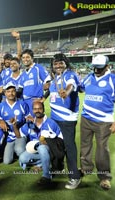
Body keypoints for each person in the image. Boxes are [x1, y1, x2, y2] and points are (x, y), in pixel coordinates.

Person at [79, 55, 115, 190]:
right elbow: (81, 88)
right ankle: (86, 168)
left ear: (107, 66)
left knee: (102, 150)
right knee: (85, 146)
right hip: (86, 118)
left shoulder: (114, 80)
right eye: (94, 67)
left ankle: (104, 177)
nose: (96, 70)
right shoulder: (89, 77)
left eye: (100, 68)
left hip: (103, 121)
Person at [48, 53, 81, 189]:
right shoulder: (55, 78)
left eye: (61, 63)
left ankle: (74, 177)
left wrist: (66, 92)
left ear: (66, 63)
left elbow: (71, 85)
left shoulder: (70, 75)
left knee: (69, 147)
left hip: (67, 119)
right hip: (55, 118)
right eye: (56, 63)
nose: (58, 65)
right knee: (56, 144)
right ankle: (58, 167)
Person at [18, 101, 64, 186]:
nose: (37, 111)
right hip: (35, 149)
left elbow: (60, 138)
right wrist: (14, 125)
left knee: (42, 147)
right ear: (32, 110)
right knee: (22, 158)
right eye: (35, 109)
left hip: (48, 149)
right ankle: (43, 163)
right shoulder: (30, 123)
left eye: (39, 108)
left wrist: (49, 142)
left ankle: (47, 176)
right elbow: (19, 135)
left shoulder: (51, 123)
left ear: (43, 109)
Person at [0, 82, 29, 164]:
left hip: (20, 133)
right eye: (8, 91)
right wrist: (1, 121)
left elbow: (28, 118)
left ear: (16, 92)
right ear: (5, 93)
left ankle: (24, 150)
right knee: (7, 161)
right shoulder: (1, 105)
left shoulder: (22, 104)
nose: (11, 93)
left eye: (13, 91)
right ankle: (16, 149)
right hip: (10, 135)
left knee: (20, 151)